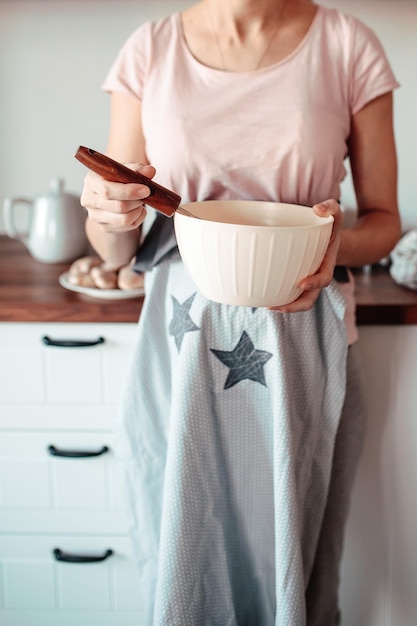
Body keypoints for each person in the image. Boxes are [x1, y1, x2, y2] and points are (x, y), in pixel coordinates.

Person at [80, 1, 401, 624]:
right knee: (182, 546)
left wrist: (331, 245)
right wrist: (107, 213)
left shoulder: (347, 45)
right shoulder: (149, 50)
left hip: (307, 345)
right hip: (180, 355)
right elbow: (116, 243)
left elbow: (384, 221)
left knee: (301, 567)